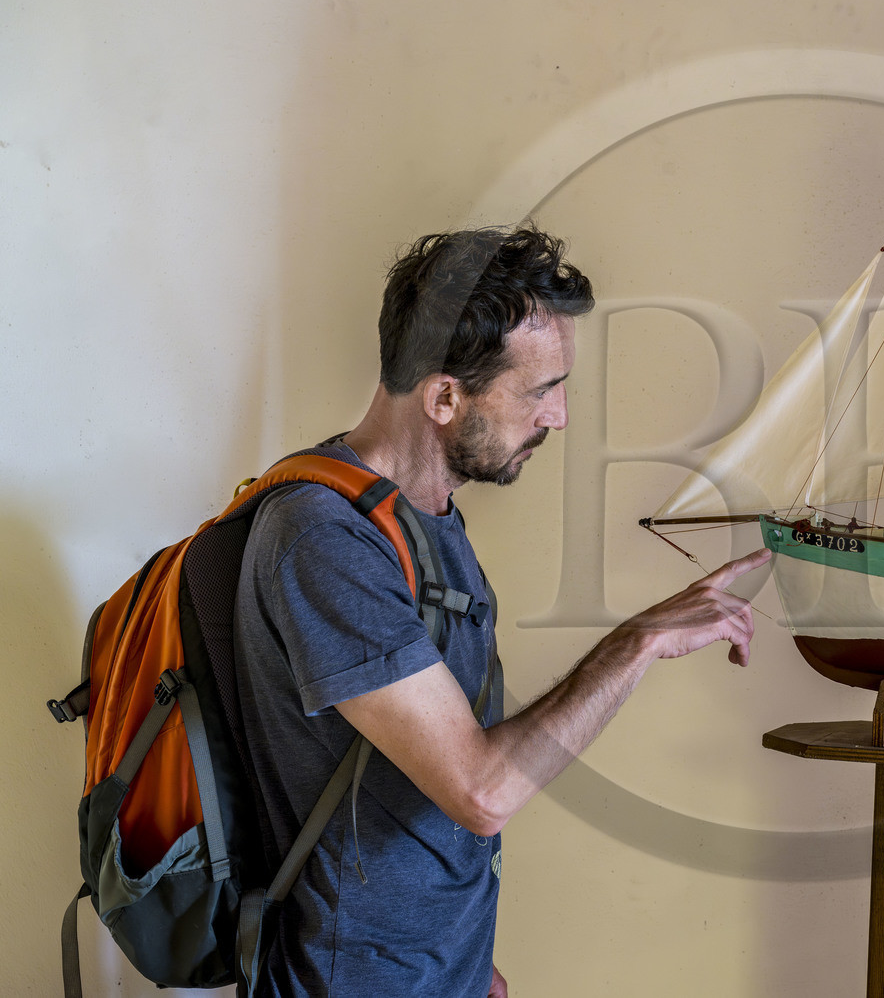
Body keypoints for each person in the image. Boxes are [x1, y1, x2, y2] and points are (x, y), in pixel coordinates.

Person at [233, 225, 769, 997]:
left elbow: (407, 779)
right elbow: (481, 791)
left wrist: (464, 958)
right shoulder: (324, 538)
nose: (559, 416)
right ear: (444, 397)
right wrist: (637, 643)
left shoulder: (422, 518)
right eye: (540, 389)